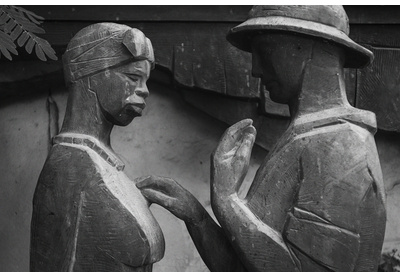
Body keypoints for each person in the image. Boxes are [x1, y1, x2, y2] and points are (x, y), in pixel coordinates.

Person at [137, 6, 386, 271]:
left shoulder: (339, 146)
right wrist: (196, 216)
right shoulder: (308, 137)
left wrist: (227, 201)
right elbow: (241, 268)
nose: (256, 69)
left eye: (265, 52)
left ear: (305, 50)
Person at [30, 23, 164, 271]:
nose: (144, 90)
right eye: (133, 77)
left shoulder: (105, 163)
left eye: (145, 80)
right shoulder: (68, 165)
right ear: (92, 77)